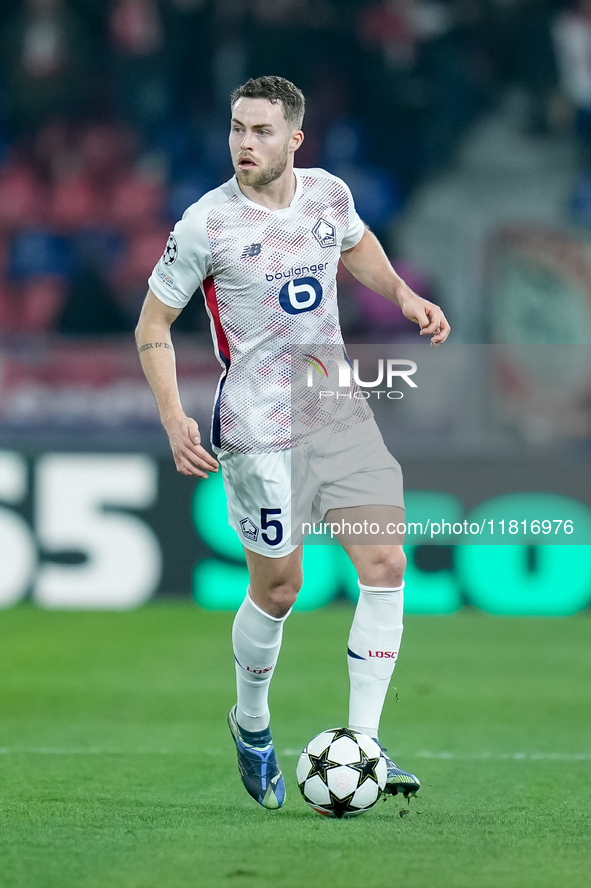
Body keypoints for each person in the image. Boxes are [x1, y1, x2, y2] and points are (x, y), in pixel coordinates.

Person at [135, 75, 450, 811]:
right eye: (237, 129)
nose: (245, 143)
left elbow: (357, 244)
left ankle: (364, 743)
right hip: (255, 426)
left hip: (334, 409)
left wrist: (400, 294)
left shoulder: (327, 195)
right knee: (279, 589)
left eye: (261, 131)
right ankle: (250, 724)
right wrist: (173, 417)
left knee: (384, 560)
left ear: (294, 140)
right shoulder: (205, 225)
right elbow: (152, 326)